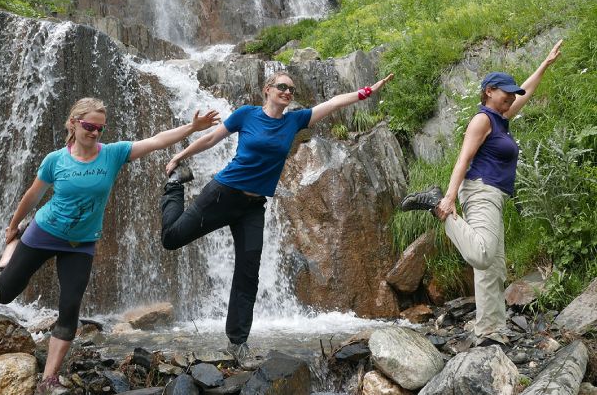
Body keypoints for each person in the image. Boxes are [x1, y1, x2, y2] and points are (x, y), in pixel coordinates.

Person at [161, 70, 394, 368]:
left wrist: (366, 91)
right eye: (282, 86)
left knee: (248, 272)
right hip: (223, 193)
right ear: (267, 89)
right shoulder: (246, 115)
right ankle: (174, 186)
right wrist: (179, 158)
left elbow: (334, 102)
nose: (287, 92)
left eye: (291, 90)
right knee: (172, 238)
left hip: (253, 206)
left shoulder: (294, 121)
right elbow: (210, 139)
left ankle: (237, 343)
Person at [0, 97, 219, 395]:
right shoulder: (55, 160)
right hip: (44, 232)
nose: (95, 132)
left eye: (100, 128)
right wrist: (12, 228)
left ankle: (49, 379)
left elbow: (156, 141)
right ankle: (10, 253)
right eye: (89, 126)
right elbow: (33, 196)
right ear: (73, 123)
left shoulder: (112, 154)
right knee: (3, 294)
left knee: (70, 308)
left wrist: (192, 127)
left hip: (81, 243)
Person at [401, 40, 562, 342]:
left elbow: (526, 92)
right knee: (483, 255)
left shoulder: (501, 119)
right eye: (506, 93)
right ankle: (436, 205)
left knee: (494, 270)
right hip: (479, 190)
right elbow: (463, 159)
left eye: (512, 94)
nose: (511, 98)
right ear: (489, 91)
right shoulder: (482, 119)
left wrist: (545, 64)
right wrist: (449, 198)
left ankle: (490, 331)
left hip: (495, 196)